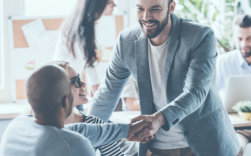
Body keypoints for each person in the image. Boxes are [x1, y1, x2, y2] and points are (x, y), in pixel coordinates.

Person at [89, 0, 240, 156]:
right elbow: (107, 94)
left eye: (155, 9)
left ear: (171, 7)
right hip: (160, 147)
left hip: (206, 143)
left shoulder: (199, 36)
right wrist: (85, 135)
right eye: (140, 9)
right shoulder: (126, 42)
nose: (146, 17)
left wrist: (159, 119)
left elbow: (196, 92)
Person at [0, 65, 151, 156]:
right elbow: (74, 137)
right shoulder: (75, 145)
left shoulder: (15, 127)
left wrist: (127, 130)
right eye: (75, 82)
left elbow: (78, 130)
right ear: (66, 101)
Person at [53, 0, 116, 98]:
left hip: (68, 86)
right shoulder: (80, 27)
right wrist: (95, 85)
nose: (114, 5)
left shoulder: (84, 24)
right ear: (96, 3)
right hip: (63, 89)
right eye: (108, 2)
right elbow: (88, 60)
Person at [216, 15, 251, 149]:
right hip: (236, 129)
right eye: (239, 39)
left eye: (249, 38)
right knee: (236, 149)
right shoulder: (223, 62)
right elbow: (212, 97)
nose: (244, 44)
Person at [54, 61, 123, 156]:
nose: (83, 84)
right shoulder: (37, 127)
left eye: (80, 78)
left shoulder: (93, 123)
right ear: (58, 89)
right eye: (75, 80)